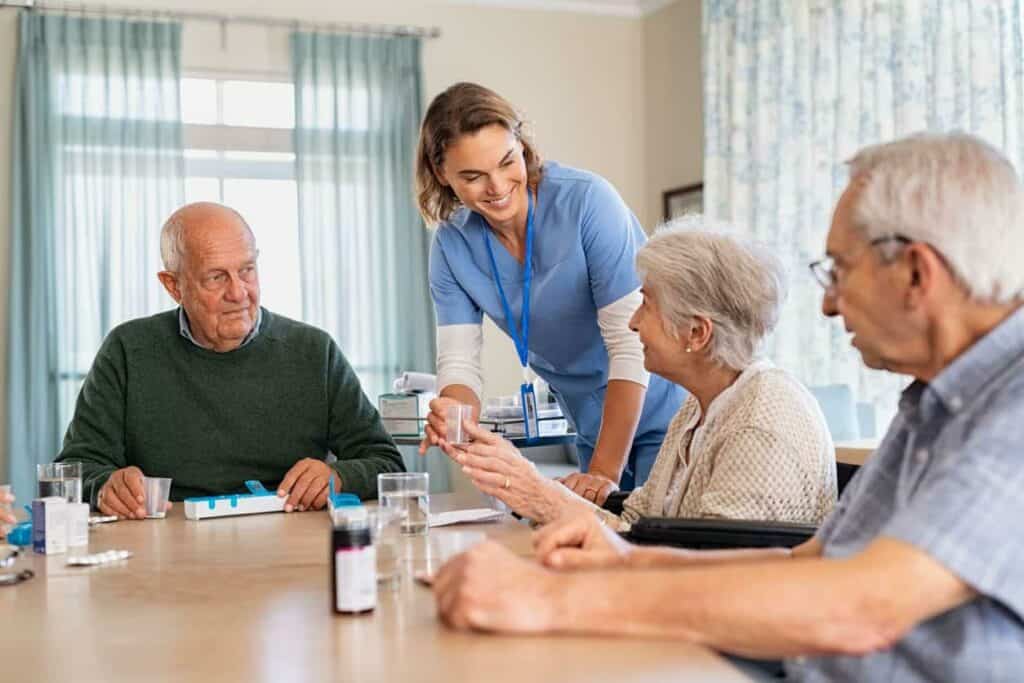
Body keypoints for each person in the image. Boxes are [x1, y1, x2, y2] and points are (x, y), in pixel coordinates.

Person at [431, 132, 1024, 681]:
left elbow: (862, 607)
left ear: (918, 273)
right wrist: (623, 563)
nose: (828, 307)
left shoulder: (1011, 410)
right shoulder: (934, 403)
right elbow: (809, 563)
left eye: (839, 271)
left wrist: (550, 599)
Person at [440, 222, 836, 528]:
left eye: (645, 305)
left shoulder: (758, 425)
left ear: (696, 333)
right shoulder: (699, 410)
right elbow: (637, 525)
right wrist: (535, 491)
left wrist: (539, 494)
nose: (632, 323)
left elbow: (705, 576)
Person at [416, 82, 685, 500]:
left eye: (507, 161)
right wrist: (454, 413)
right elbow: (459, 364)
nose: (498, 186)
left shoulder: (587, 203)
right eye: (472, 176)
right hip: (592, 424)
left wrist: (602, 476)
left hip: (667, 410)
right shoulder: (452, 246)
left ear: (522, 144)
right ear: (441, 175)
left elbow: (630, 346)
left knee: (654, 549)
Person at [54, 202, 404, 519]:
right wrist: (104, 486)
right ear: (173, 286)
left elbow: (387, 464)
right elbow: (74, 468)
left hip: (286, 549)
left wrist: (340, 477)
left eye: (247, 270)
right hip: (168, 548)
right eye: (216, 277)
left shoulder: (314, 351)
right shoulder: (128, 350)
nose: (238, 293)